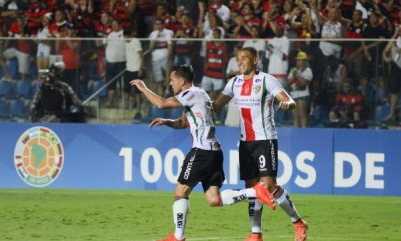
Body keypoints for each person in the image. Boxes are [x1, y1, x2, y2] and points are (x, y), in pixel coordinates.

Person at [130, 64, 275, 241]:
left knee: (180, 192)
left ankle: (178, 237)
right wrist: (166, 122)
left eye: (172, 79)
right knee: (214, 199)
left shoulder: (190, 94)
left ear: (182, 81)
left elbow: (160, 103)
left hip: (202, 151)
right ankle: (255, 191)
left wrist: (143, 87)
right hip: (214, 152)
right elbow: (184, 123)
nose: (170, 83)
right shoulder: (199, 94)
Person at [213, 47, 308, 241]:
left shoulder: (266, 80)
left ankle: (298, 222)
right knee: (252, 187)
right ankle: (256, 233)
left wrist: (287, 104)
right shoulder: (235, 82)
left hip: (265, 139)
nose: (240, 62)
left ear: (255, 60)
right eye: (238, 58)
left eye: (245, 58)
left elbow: (289, 100)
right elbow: (215, 105)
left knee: (269, 184)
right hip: (245, 142)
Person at [287, 51, 313, 128]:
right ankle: (295, 133)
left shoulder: (308, 70)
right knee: (295, 116)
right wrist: (294, 75)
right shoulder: (293, 69)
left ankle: (304, 132)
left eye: (300, 60)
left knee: (302, 115)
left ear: (304, 61)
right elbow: (288, 81)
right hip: (294, 94)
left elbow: (304, 82)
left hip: (303, 95)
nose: (298, 61)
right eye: (297, 60)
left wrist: (296, 75)